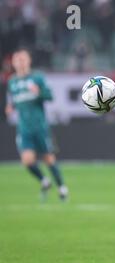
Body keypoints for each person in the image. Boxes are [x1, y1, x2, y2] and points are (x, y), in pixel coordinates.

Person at [5, 48, 68, 201]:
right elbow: (14, 100)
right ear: (13, 63)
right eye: (17, 60)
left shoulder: (37, 78)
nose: (20, 62)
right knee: (27, 160)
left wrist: (38, 92)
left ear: (28, 61)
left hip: (40, 126)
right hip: (24, 128)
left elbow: (50, 96)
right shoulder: (12, 82)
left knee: (48, 159)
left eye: (22, 59)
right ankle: (44, 181)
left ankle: (62, 188)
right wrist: (11, 107)